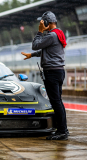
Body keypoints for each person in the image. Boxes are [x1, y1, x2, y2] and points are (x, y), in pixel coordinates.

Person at [21, 11, 68, 140]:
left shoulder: (51, 35)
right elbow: (45, 50)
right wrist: (32, 55)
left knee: (56, 102)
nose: (41, 25)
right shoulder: (58, 34)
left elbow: (36, 44)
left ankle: (62, 131)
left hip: (52, 72)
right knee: (58, 101)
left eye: (43, 22)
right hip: (58, 71)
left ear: (47, 22)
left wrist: (40, 31)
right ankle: (63, 129)